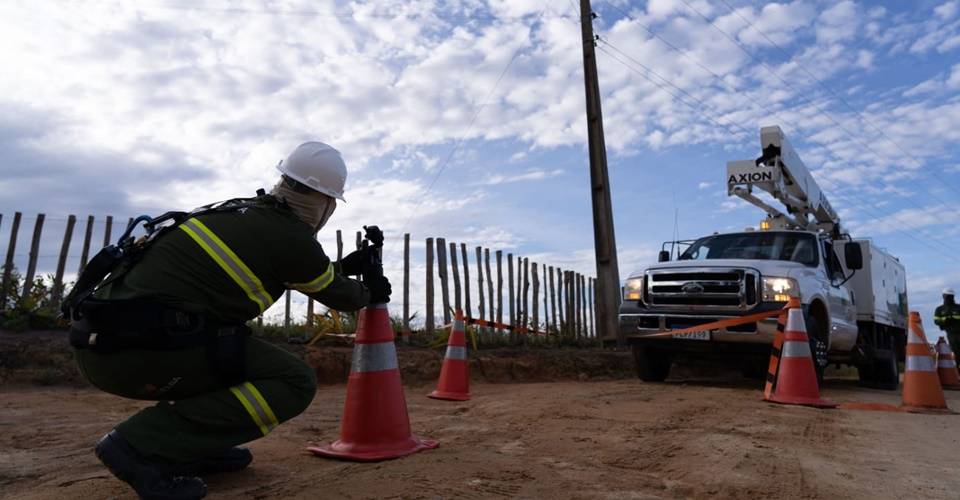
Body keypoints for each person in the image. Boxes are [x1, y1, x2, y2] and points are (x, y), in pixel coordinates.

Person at [67, 142, 391, 499]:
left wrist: (346, 267)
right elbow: (342, 296)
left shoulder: (243, 212)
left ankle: (190, 446)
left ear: (285, 182)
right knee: (293, 380)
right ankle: (137, 445)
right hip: (136, 355)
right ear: (325, 202)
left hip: (106, 344)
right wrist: (370, 288)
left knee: (228, 348)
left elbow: (298, 271)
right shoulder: (290, 237)